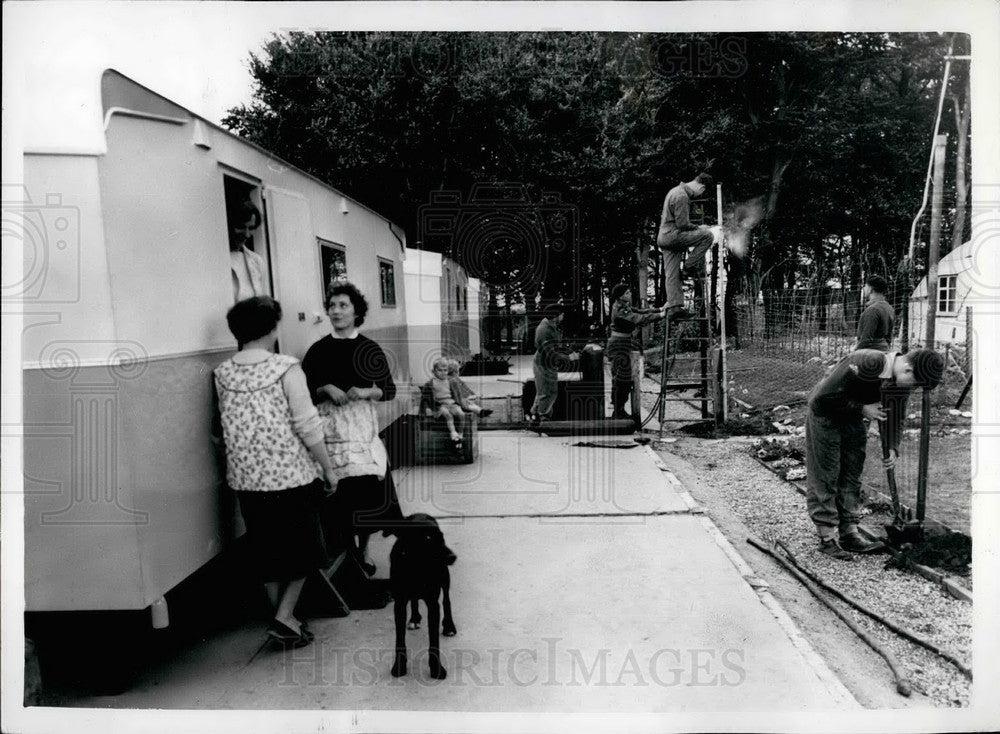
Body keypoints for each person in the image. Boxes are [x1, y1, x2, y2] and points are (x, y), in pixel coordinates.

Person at [214, 296, 338, 647]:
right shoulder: (286, 368)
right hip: (291, 477)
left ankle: (283, 619)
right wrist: (328, 469)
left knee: (265, 549)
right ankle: (285, 617)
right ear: (272, 327)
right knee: (305, 550)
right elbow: (308, 425)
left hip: (247, 479)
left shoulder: (222, 373)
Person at [302, 282, 405, 576]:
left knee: (366, 492)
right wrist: (324, 387)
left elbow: (388, 390)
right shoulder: (318, 350)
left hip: (360, 429)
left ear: (356, 311)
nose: (336, 311)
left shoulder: (369, 348)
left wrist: (364, 391)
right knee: (336, 496)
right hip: (329, 431)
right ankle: (343, 552)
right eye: (332, 306)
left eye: (343, 305)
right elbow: (303, 393)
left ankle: (364, 549)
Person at [805, 348, 944, 560]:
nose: (913, 389)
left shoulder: (899, 381)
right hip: (825, 417)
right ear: (907, 369)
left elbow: (895, 414)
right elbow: (822, 399)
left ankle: (849, 533)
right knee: (827, 474)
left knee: (852, 473)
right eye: (915, 384)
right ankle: (827, 538)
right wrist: (861, 408)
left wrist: (892, 446)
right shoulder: (868, 362)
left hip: (852, 419)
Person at [656, 172, 720, 321]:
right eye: (703, 191)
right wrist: (700, 228)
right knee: (708, 236)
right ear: (701, 186)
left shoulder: (674, 191)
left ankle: (675, 307)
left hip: (664, 237)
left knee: (671, 273)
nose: (700, 195)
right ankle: (689, 268)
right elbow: (683, 224)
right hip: (673, 235)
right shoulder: (682, 196)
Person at [606, 284, 667, 421]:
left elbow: (640, 311)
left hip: (623, 343)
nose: (630, 294)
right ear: (620, 296)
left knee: (625, 379)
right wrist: (661, 315)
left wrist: (659, 309)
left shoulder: (624, 305)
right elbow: (638, 318)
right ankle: (618, 410)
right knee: (621, 379)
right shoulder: (619, 309)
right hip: (618, 345)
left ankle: (619, 410)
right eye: (627, 292)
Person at [528, 302, 578, 426]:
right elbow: (549, 352)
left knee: (544, 391)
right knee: (547, 391)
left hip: (547, 363)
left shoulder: (551, 325)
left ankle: (534, 416)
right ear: (556, 315)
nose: (563, 316)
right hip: (544, 363)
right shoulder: (544, 329)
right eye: (561, 314)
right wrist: (568, 358)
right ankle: (544, 420)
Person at [419, 357, 468, 450]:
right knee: (448, 415)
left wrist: (461, 404)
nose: (443, 372)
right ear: (433, 371)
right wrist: (422, 413)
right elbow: (424, 398)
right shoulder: (430, 384)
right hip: (439, 405)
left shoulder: (450, 382)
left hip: (451, 404)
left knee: (461, 414)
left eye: (445, 370)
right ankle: (453, 433)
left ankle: (460, 435)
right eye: (440, 370)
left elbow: (457, 395)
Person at [229, 200, 270, 303]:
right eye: (241, 227)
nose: (246, 234)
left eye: (251, 228)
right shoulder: (214, 257)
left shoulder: (256, 261)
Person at [855, 274, 896, 352]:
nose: (863, 288)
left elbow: (865, 341)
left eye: (865, 286)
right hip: (884, 352)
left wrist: (854, 355)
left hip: (871, 356)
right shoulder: (889, 308)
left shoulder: (872, 310)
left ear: (870, 289)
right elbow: (888, 338)